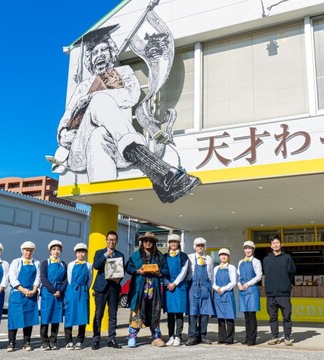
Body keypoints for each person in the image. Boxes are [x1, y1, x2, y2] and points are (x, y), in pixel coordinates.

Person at [50, 25, 199, 203]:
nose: (100, 55)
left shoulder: (123, 73)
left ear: (112, 53)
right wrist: (64, 134)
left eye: (104, 49)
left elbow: (132, 95)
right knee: (98, 104)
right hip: (79, 149)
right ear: (89, 59)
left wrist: (99, 92)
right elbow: (65, 121)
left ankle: (151, 179)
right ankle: (160, 171)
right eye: (95, 52)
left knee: (99, 133)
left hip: (117, 148)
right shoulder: (84, 86)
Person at [125, 232, 169, 348]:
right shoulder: (135, 255)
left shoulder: (159, 256)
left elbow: (165, 270)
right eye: (145, 241)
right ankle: (132, 336)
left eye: (150, 241)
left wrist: (160, 272)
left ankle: (156, 337)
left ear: (153, 243)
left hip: (154, 290)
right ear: (142, 243)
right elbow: (128, 267)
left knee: (155, 313)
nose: (148, 243)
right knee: (137, 312)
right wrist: (137, 271)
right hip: (140, 289)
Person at [91, 230, 125, 350]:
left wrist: (118, 279)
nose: (111, 242)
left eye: (114, 240)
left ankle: (112, 339)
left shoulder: (120, 254)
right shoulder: (99, 252)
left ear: (116, 241)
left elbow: (122, 271)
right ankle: (96, 340)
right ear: (106, 240)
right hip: (101, 288)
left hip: (114, 288)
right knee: (98, 314)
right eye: (109, 240)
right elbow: (96, 266)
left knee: (113, 315)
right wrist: (106, 255)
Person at [262, 234, 296, 346]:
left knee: (286, 316)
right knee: (272, 317)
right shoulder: (266, 259)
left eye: (277, 242)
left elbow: (291, 273)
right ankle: (274, 336)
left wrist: (286, 285)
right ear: (270, 246)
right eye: (273, 243)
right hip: (271, 293)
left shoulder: (287, 258)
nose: (275, 245)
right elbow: (266, 274)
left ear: (281, 244)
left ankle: (287, 337)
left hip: (284, 293)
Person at [7, 241, 41, 352]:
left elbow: (38, 278)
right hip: (18, 293)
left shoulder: (36, 263)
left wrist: (34, 289)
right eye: (26, 250)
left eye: (31, 250)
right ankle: (11, 343)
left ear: (33, 251)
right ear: (22, 251)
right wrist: (23, 289)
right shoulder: (16, 262)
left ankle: (27, 342)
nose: (28, 252)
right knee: (14, 318)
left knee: (29, 318)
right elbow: (13, 278)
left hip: (31, 294)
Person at [185, 237, 214, 346]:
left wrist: (210, 287)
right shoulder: (190, 258)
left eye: (202, 245)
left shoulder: (209, 259)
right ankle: (193, 336)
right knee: (193, 312)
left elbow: (211, 274)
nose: (200, 247)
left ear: (204, 247)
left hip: (205, 287)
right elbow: (186, 272)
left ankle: (202, 336)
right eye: (198, 245)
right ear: (194, 246)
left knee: (204, 313)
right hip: (193, 286)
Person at [39, 240, 68, 350]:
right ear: (50, 251)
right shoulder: (45, 263)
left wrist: (60, 290)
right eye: (54, 249)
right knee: (45, 317)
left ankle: (53, 341)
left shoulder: (63, 264)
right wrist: (53, 290)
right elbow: (43, 278)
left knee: (56, 318)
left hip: (59, 294)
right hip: (48, 292)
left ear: (61, 251)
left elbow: (66, 279)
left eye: (58, 249)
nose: (56, 251)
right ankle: (44, 341)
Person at [64, 243, 92, 350]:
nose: (81, 254)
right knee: (69, 316)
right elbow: (70, 279)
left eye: (83, 252)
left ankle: (80, 340)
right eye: (79, 252)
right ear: (75, 253)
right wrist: (72, 290)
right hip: (72, 291)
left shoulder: (89, 265)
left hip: (83, 291)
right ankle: (69, 341)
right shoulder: (71, 264)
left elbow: (90, 280)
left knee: (82, 317)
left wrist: (84, 288)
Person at [162, 233, 189, 346]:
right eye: (171, 242)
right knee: (170, 314)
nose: (173, 243)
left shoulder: (183, 256)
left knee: (179, 313)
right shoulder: (164, 256)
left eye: (175, 242)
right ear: (169, 244)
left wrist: (175, 283)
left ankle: (178, 336)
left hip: (179, 286)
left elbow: (184, 272)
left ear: (179, 243)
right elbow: (162, 271)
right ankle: (171, 336)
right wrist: (167, 283)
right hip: (168, 287)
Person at [237, 240, 262, 346]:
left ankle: (252, 339)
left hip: (251, 290)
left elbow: (259, 276)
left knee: (252, 315)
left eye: (250, 248)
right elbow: (238, 275)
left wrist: (248, 284)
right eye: (246, 248)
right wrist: (238, 284)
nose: (247, 250)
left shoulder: (256, 261)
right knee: (246, 316)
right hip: (242, 290)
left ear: (253, 249)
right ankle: (247, 338)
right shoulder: (240, 262)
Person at [213, 248, 237, 345]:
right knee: (220, 317)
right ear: (219, 257)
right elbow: (212, 281)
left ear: (228, 257)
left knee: (229, 317)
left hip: (227, 294)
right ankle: (221, 338)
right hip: (217, 294)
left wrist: (222, 289)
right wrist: (216, 288)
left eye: (225, 255)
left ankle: (230, 338)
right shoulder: (215, 269)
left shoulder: (231, 268)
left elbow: (233, 282)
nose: (223, 256)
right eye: (222, 255)